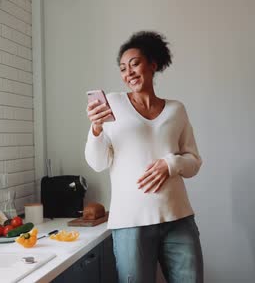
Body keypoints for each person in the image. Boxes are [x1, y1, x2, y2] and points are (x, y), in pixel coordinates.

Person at [85, 31, 204, 283]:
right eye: (123, 68)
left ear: (153, 64)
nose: (129, 72)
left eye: (135, 63)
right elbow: (97, 163)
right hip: (130, 223)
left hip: (178, 219)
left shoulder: (176, 109)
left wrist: (170, 164)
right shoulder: (112, 104)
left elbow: (194, 162)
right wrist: (96, 129)